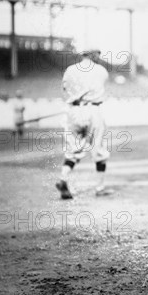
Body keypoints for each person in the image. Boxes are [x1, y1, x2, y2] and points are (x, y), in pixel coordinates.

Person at [56, 49, 112, 199]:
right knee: (98, 149)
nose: (99, 56)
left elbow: (64, 89)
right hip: (93, 110)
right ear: (93, 55)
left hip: (72, 111)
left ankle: (63, 178)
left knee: (73, 150)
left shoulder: (70, 70)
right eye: (98, 54)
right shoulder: (101, 70)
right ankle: (100, 187)